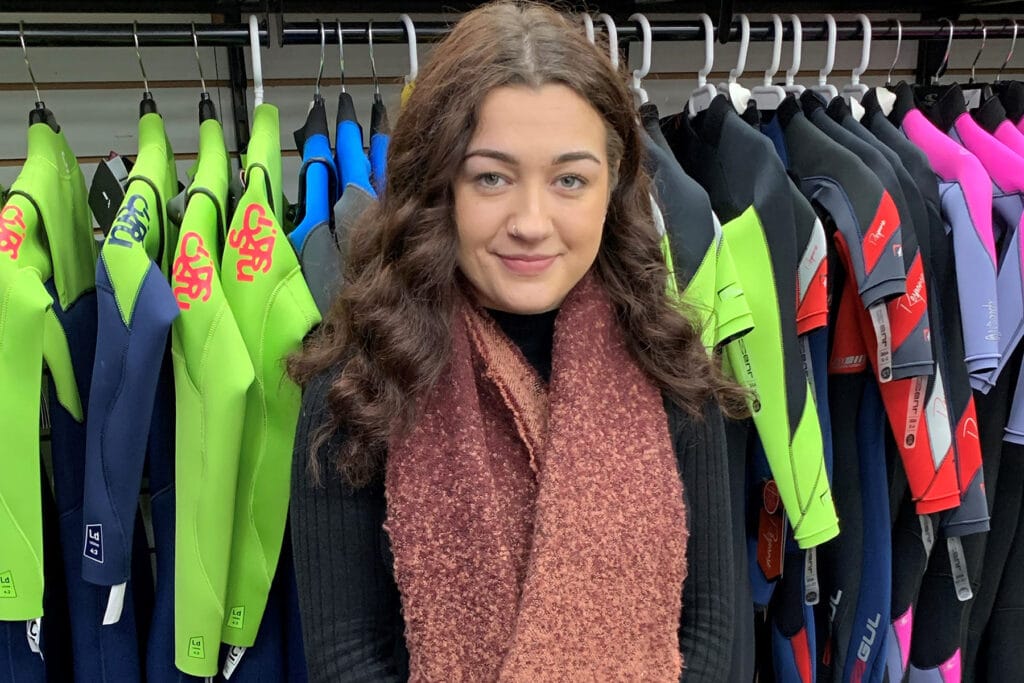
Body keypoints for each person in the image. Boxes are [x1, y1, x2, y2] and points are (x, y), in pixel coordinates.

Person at [288, 2, 747, 680]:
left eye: (569, 179)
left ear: (611, 186)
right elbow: (348, 657)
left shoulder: (668, 363)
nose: (532, 222)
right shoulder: (358, 386)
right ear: (439, 184)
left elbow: (709, 629)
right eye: (492, 177)